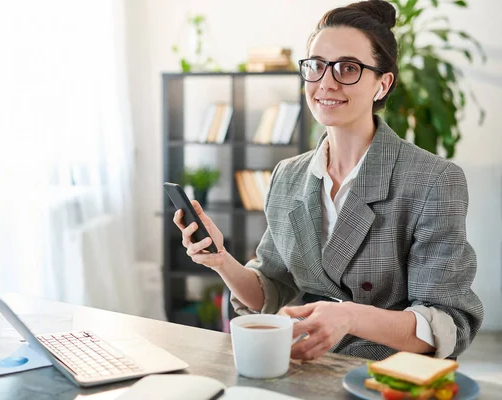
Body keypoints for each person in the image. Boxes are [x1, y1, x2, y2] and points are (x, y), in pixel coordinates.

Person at [173, 0, 483, 361]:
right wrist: (220, 259)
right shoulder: (288, 175)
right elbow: (272, 288)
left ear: (382, 84)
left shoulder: (434, 180)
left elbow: (446, 323)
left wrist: (349, 317)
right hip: (301, 363)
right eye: (316, 66)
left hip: (383, 373)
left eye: (348, 68)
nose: (326, 83)